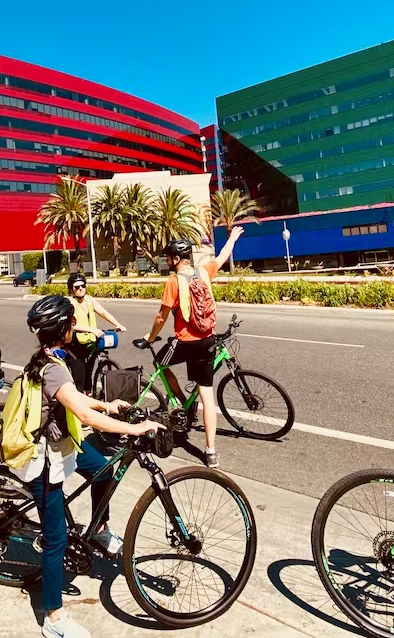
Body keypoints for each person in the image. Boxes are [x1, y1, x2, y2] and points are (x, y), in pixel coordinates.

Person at [21, 295, 161, 638]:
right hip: (43, 457)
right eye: (70, 322)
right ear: (62, 329)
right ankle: (53, 619)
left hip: (64, 443)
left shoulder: (51, 357)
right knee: (55, 541)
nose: (74, 326)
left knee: (104, 468)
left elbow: (74, 399)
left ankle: (99, 528)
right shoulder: (51, 366)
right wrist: (134, 429)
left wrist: (107, 404)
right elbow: (82, 415)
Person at [144, 227, 244, 469]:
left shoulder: (174, 281)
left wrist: (150, 337)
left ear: (177, 259)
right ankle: (210, 452)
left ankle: (179, 399)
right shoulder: (204, 271)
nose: (167, 261)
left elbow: (161, 317)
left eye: (169, 257)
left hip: (186, 342)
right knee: (207, 397)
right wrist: (231, 238)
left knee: (159, 361)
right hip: (207, 341)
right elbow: (221, 257)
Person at [65, 272, 126, 396]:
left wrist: (117, 324)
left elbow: (103, 312)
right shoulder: (70, 303)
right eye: (77, 287)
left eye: (83, 286)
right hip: (75, 345)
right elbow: (73, 325)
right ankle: (78, 406)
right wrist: (91, 329)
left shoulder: (89, 300)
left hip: (90, 342)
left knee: (89, 374)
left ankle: (89, 399)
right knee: (80, 377)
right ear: (72, 290)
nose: (81, 289)